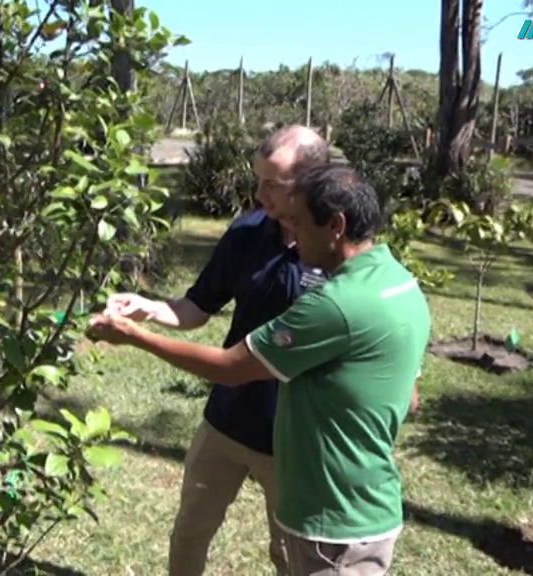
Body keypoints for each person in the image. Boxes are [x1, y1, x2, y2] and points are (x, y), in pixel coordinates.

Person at [89, 164, 431, 576]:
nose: (293, 235)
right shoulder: (400, 283)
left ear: (336, 225)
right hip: (368, 506)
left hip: (334, 525)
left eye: (300, 223)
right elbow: (410, 400)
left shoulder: (336, 303)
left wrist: (133, 336)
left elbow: (230, 368)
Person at [102, 125, 330, 575]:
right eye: (258, 180)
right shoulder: (247, 233)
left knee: (292, 555)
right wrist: (149, 308)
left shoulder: (334, 251)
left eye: (272, 184)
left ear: (311, 182)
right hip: (227, 419)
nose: (259, 194)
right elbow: (198, 306)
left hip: (294, 438)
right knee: (189, 532)